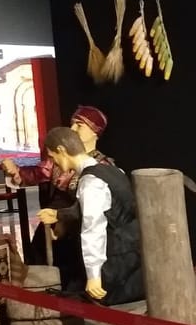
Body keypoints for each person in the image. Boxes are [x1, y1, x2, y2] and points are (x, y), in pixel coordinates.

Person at [2, 106, 115, 272]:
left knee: (75, 272)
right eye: (72, 124)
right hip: (50, 226)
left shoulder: (103, 166)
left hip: (79, 229)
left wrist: (65, 220)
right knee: (42, 271)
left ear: (95, 131)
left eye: (79, 125)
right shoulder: (58, 159)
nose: (73, 129)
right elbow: (37, 173)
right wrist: (15, 171)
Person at [39, 126, 143, 305]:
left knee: (71, 296)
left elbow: (93, 229)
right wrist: (60, 215)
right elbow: (107, 208)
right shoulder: (113, 171)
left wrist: (94, 276)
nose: (53, 162)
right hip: (135, 259)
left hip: (116, 268)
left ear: (61, 150)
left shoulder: (90, 182)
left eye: (52, 156)